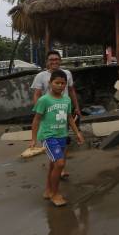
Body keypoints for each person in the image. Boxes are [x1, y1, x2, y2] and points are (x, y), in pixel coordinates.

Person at [30, 70, 84, 207]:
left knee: (53, 164)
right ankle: (55, 193)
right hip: (48, 136)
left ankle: (48, 190)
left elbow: (69, 118)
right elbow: (36, 120)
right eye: (57, 83)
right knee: (60, 164)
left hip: (62, 135)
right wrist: (33, 138)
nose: (60, 86)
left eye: (63, 83)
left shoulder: (67, 100)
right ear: (50, 83)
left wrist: (77, 132)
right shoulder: (44, 100)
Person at [31, 51, 81, 179]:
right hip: (49, 113)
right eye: (51, 59)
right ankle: (57, 165)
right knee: (52, 138)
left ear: (60, 60)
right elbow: (37, 94)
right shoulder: (41, 76)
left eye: (57, 59)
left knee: (63, 140)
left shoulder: (67, 74)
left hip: (64, 111)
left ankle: (61, 167)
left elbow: (71, 91)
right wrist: (39, 111)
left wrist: (77, 107)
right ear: (47, 61)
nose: (54, 61)